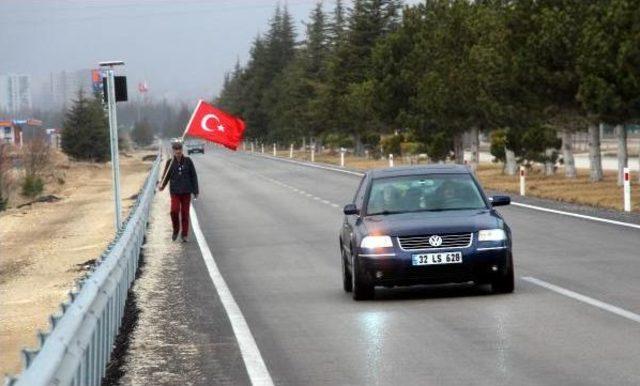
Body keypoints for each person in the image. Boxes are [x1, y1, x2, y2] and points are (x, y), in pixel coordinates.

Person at [159, 141, 199, 242]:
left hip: (186, 191)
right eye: (176, 150)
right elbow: (166, 176)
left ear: (182, 150)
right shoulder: (170, 162)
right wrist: (162, 185)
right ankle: (176, 229)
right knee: (174, 211)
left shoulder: (188, 161)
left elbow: (193, 176)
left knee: (185, 214)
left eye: (179, 149)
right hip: (175, 192)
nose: (178, 151)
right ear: (173, 151)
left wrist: (195, 190)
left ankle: (184, 235)